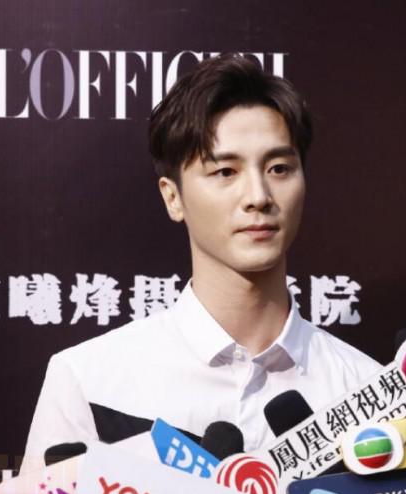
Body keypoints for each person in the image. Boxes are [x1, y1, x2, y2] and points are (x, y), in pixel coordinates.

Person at [21, 54, 381, 472]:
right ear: (173, 197)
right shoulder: (90, 380)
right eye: (225, 172)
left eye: (279, 168)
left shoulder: (370, 394)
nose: (258, 196)